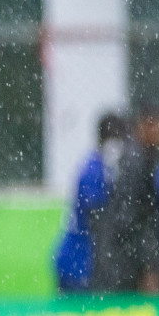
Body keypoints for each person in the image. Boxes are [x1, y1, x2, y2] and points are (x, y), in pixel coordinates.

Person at [53, 112, 127, 294]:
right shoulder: (93, 171)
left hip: (81, 261)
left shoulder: (102, 167)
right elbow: (98, 219)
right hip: (79, 264)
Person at [91, 103, 159, 293]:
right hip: (121, 265)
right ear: (144, 125)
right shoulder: (135, 161)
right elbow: (130, 219)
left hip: (119, 260)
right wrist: (147, 266)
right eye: (156, 124)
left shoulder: (142, 157)